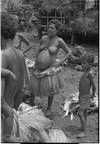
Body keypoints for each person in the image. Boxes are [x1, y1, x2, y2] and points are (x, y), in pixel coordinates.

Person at [18, 19, 72, 116]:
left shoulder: (59, 41)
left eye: (52, 28)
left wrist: (60, 61)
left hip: (50, 68)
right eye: (49, 28)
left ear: (57, 30)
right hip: (38, 66)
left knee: (50, 89)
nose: (50, 30)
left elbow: (69, 52)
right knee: (33, 86)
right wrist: (35, 62)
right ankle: (31, 102)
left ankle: (48, 108)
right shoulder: (44, 38)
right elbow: (39, 50)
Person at [1, 12, 29, 142]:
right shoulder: (20, 55)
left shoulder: (3, 55)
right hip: (11, 112)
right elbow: (21, 90)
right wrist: (14, 110)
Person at [76, 53, 96, 138]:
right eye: (81, 63)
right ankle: (83, 127)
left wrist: (93, 95)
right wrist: (79, 95)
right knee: (84, 112)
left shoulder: (90, 74)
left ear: (90, 64)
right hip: (82, 95)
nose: (82, 65)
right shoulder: (86, 71)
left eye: (84, 63)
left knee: (80, 113)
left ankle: (84, 132)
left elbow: (94, 86)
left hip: (86, 97)